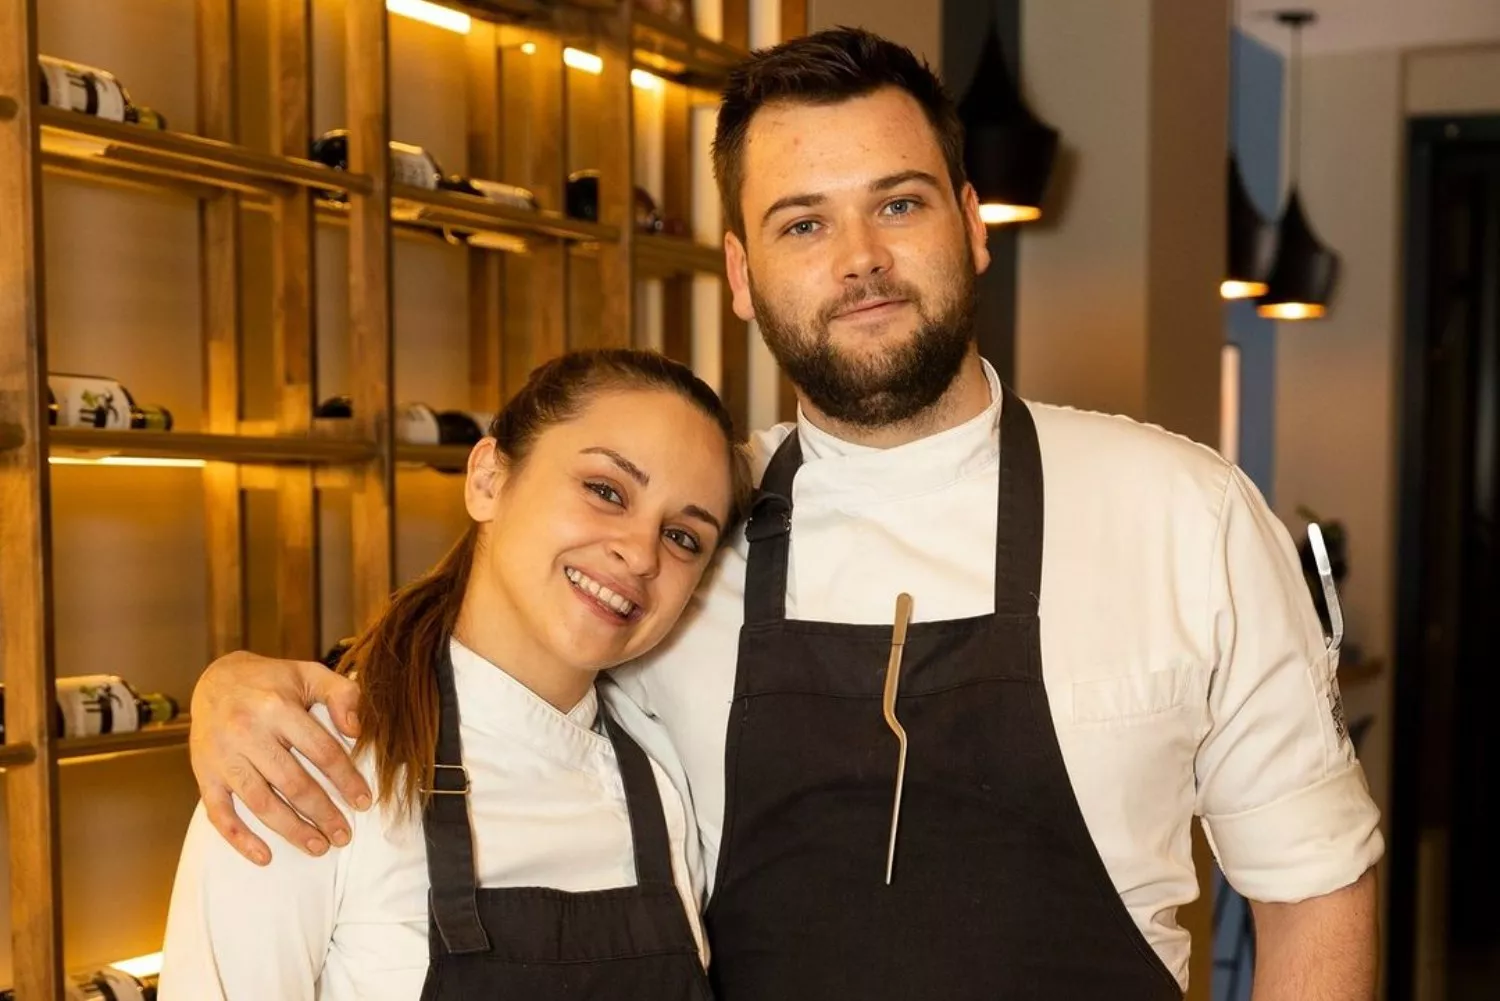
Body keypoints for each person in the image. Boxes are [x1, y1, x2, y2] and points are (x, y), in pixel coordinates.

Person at [180, 28, 1383, 1001]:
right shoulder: (692, 513)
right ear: (745, 272)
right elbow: (484, 664)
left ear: (971, 224)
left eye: (898, 204)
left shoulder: (1183, 512)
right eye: (803, 221)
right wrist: (238, 684)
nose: (858, 256)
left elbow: (1318, 885)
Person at [158, 349, 752, 1000]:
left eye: (684, 537)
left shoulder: (664, 780)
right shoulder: (306, 764)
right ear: (488, 479)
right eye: (606, 490)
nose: (640, 553)